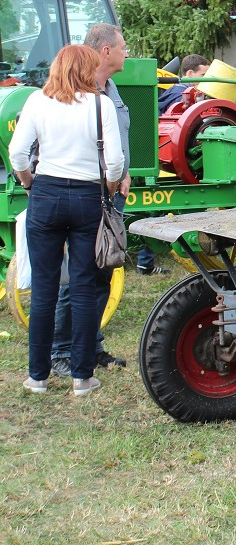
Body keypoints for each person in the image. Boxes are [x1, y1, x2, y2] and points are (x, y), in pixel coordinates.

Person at [11, 45, 124, 395]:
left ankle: (38, 376)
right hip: (88, 196)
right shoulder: (99, 104)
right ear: (84, 69)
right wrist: (106, 186)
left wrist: (29, 181)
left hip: (46, 194)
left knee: (44, 289)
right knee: (84, 286)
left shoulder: (37, 102)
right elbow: (116, 163)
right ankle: (81, 376)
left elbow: (17, 153)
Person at [49, 24, 133, 378]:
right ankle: (61, 352)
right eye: (123, 47)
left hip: (112, 196)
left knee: (103, 271)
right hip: (85, 194)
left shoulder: (111, 89)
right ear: (105, 52)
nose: (127, 52)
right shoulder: (76, 92)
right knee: (78, 276)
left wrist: (124, 172)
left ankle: (90, 346)